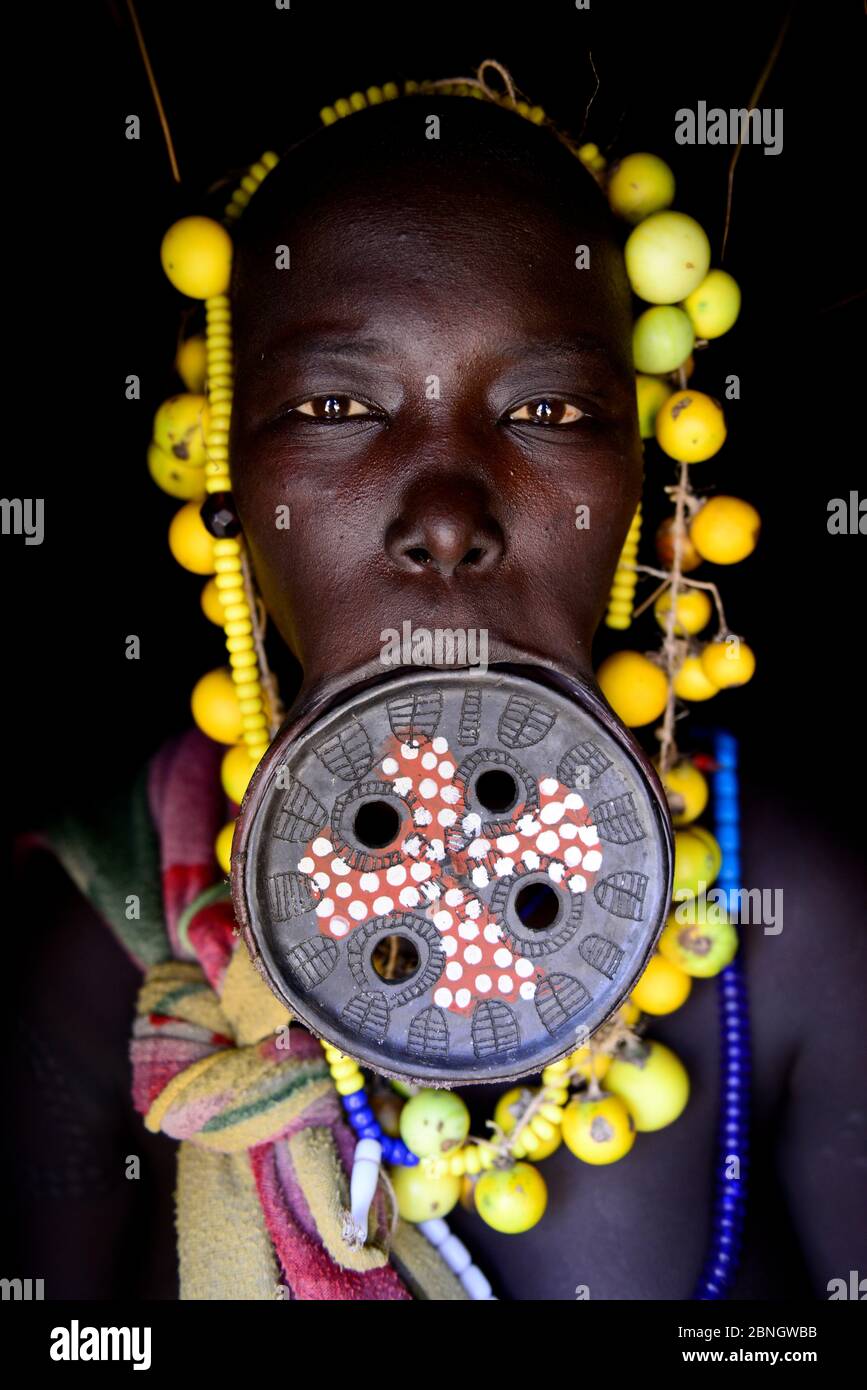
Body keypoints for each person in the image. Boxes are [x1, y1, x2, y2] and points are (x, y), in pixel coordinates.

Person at [9, 84, 865, 1301]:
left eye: (550, 411)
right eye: (336, 408)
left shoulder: (802, 933)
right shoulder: (94, 945)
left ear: (643, 492)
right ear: (225, 484)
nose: (448, 518)